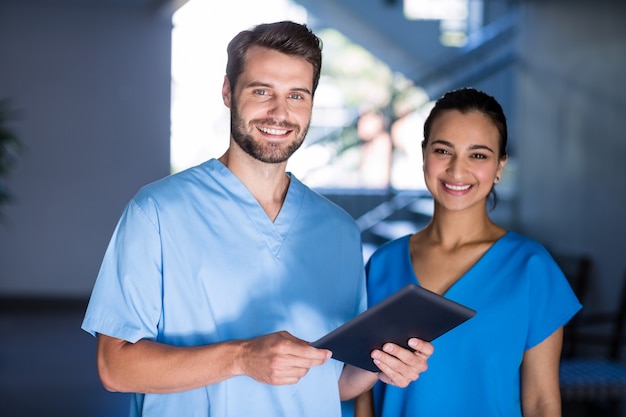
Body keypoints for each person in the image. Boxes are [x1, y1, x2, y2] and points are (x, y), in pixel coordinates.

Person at [81, 21, 433, 417]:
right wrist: (242, 358)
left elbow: (335, 383)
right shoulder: (158, 212)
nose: (280, 113)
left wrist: (383, 365)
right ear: (228, 92)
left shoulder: (339, 230)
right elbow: (115, 368)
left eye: (297, 96)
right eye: (262, 91)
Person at [354, 87, 582, 417]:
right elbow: (364, 392)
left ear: (500, 165)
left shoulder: (531, 267)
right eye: (443, 151)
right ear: (424, 155)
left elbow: (542, 403)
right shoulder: (382, 265)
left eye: (478, 155)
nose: (457, 171)